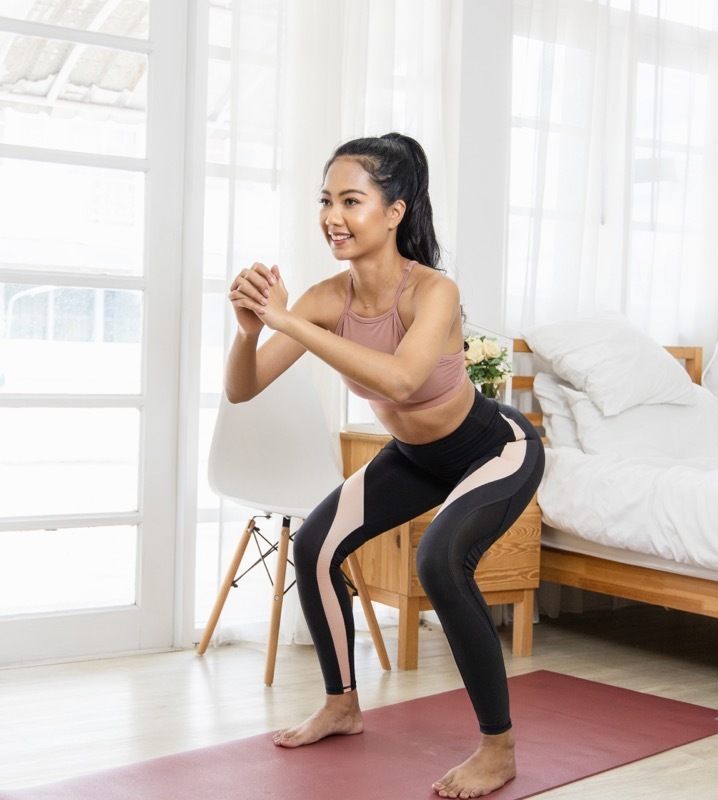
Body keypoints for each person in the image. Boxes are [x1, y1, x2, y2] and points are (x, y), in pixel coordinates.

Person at [224, 132, 543, 799]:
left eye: (351, 200)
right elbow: (243, 389)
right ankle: (341, 704)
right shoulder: (324, 299)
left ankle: (499, 748)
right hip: (415, 458)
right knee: (313, 547)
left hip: (493, 449)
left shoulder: (434, 291)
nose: (332, 217)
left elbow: (400, 381)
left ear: (395, 211)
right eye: (325, 201)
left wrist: (288, 323)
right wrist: (253, 329)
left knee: (439, 561)